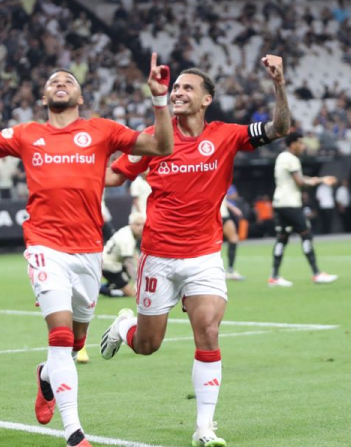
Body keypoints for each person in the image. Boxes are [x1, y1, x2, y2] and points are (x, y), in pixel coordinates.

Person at [0, 55, 173, 447]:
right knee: (62, 336)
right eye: (53, 81)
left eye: (68, 79)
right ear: (45, 96)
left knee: (77, 339)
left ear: (81, 96)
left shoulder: (101, 130)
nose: (60, 82)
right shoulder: (26, 134)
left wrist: (159, 99)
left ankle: (47, 376)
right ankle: (74, 433)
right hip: (44, 246)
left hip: (88, 251)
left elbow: (161, 145)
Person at [101, 55, 290, 447]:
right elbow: (116, 174)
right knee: (147, 345)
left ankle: (204, 427)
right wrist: (70, 171)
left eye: (188, 88)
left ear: (206, 99)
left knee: (208, 331)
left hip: (203, 256)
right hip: (159, 256)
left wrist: (279, 84)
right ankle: (123, 326)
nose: (178, 92)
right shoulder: (153, 139)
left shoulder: (226, 135)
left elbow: (279, 128)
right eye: (176, 88)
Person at [269, 132, 338, 287]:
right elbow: (300, 182)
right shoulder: (292, 159)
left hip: (279, 203)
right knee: (306, 234)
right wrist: (319, 182)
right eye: (300, 143)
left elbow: (297, 178)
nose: (303, 146)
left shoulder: (282, 157)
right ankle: (316, 273)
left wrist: (319, 179)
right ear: (292, 144)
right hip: (291, 203)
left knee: (282, 237)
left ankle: (274, 277)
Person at [99, 212, 145, 298]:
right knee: (130, 293)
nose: (141, 228)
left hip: (113, 263)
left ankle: (109, 286)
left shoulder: (128, 231)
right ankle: (101, 289)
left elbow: (134, 255)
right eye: (137, 224)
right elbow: (129, 262)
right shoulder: (127, 238)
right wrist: (138, 280)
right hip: (110, 266)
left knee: (127, 277)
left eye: (143, 224)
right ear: (130, 224)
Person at [221, 199, 244, 281]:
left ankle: (230, 270)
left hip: (223, 214)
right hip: (212, 214)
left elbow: (222, 197)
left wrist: (233, 208)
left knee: (234, 239)